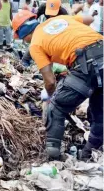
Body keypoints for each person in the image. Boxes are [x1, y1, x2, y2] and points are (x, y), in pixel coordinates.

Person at [12, 9, 103, 160]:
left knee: (56, 107)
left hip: (86, 64)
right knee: (99, 113)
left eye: (23, 39)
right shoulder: (61, 19)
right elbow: (89, 19)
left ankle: (53, 156)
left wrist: (49, 97)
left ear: (24, 34)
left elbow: (50, 81)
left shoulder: (35, 44)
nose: (25, 42)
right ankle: (88, 153)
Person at [22, 0, 69, 66]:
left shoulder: (64, 12)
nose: (51, 15)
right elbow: (34, 18)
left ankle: (50, 64)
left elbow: (68, 27)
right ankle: (25, 60)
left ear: (59, 8)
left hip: (58, 29)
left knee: (52, 48)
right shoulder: (42, 7)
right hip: (47, 26)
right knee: (37, 41)